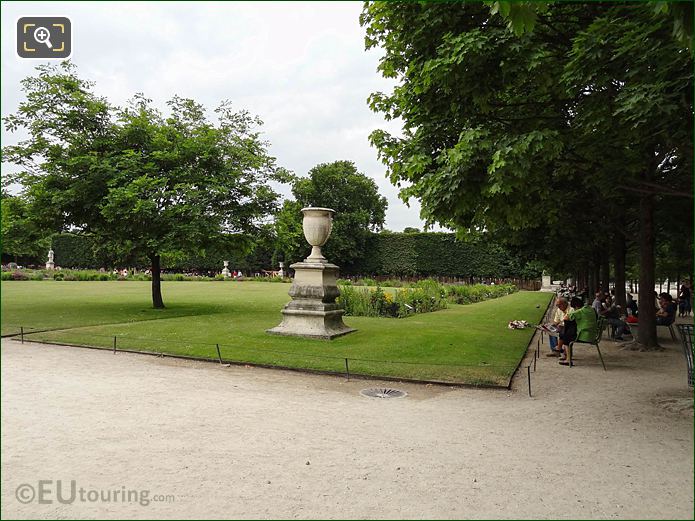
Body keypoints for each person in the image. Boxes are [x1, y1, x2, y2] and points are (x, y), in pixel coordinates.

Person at [559, 296, 598, 366]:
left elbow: (566, 317)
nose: (574, 309)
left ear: (576, 306)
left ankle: (568, 359)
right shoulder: (591, 309)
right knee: (568, 333)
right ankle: (567, 355)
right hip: (593, 334)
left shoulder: (580, 311)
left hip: (584, 336)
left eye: (574, 308)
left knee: (566, 338)